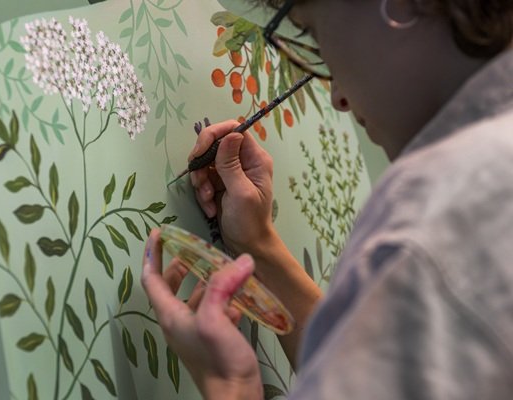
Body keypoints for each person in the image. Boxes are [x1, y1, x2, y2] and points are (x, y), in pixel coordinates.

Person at [141, 0, 513, 398]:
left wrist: (232, 386)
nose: (338, 98)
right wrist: (257, 243)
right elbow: (369, 370)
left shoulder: (427, 223)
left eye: (314, 35)